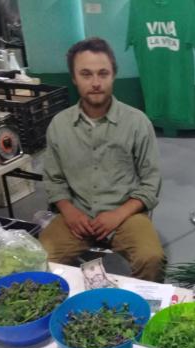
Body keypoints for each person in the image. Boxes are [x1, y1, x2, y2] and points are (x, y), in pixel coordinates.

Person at [39, 37, 165, 282]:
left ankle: (143, 313)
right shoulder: (60, 125)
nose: (95, 83)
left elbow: (151, 181)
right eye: (86, 74)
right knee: (40, 258)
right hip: (77, 214)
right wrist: (70, 212)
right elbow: (53, 180)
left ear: (113, 75)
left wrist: (118, 215)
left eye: (103, 74)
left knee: (151, 258)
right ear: (74, 78)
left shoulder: (137, 123)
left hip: (125, 214)